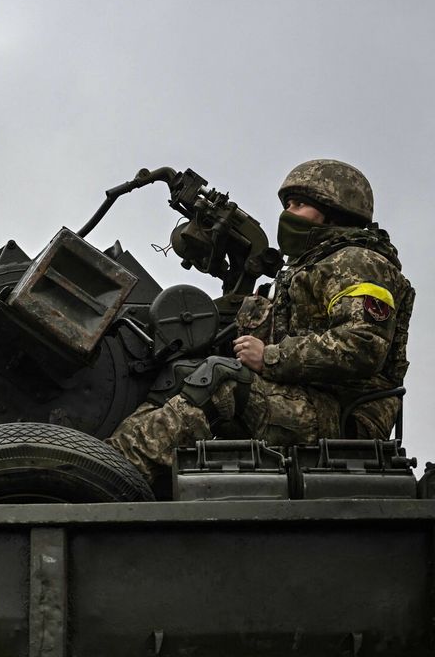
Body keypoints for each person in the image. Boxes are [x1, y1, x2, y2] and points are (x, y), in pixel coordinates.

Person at [106, 159, 415, 483]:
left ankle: (114, 474)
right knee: (181, 372)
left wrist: (269, 357)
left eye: (300, 205)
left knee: (221, 380)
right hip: (305, 399)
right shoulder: (303, 270)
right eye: (288, 204)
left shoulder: (360, 262)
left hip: (344, 417)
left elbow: (361, 346)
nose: (287, 213)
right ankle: (108, 456)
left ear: (332, 212)